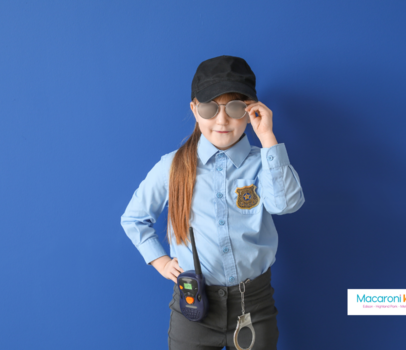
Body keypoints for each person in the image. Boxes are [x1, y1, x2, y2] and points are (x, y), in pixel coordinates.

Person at [121, 55, 305, 350]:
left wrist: (267, 137)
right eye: (209, 108)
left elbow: (286, 205)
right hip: (194, 308)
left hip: (254, 306)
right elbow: (134, 218)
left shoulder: (262, 164)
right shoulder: (173, 166)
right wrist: (160, 260)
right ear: (195, 109)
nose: (222, 120)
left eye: (234, 107)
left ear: (250, 111)